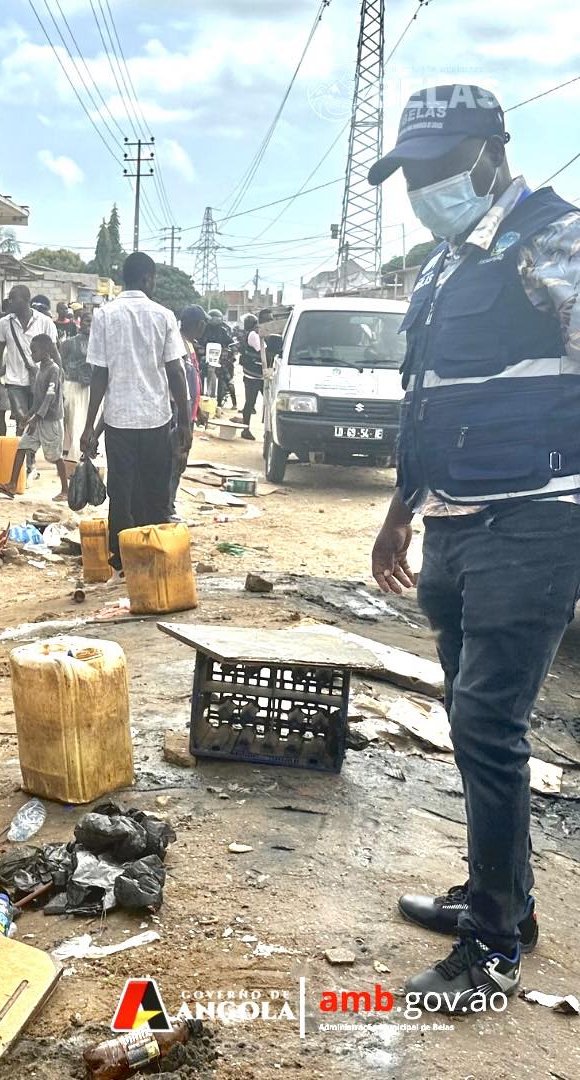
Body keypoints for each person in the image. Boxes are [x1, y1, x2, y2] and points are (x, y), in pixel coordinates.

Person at [368, 84, 580, 1015]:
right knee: (468, 716)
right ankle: (504, 901)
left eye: (440, 166)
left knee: (490, 725)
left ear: (492, 154)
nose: (424, 185)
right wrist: (400, 509)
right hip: (454, 519)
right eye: (411, 171)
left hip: (534, 520)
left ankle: (492, 950)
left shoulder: (553, 240)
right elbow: (428, 397)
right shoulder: (446, 262)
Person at [80, 252, 190, 570]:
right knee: (155, 488)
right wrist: (185, 423)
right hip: (157, 419)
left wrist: (89, 426)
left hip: (119, 421)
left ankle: (120, 558)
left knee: (121, 489)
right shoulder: (164, 315)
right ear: (147, 278)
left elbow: (99, 374)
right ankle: (154, 554)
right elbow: (177, 372)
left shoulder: (104, 315)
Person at [0, 334, 68, 501]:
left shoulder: (54, 370)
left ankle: (65, 490)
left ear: (47, 351)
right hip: (38, 417)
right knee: (22, 446)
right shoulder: (40, 369)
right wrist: (29, 415)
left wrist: (37, 417)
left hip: (51, 420)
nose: (32, 355)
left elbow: (50, 396)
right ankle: (12, 485)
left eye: (34, 351)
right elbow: (38, 397)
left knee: (56, 456)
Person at [0, 284, 58, 438]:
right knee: (21, 417)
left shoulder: (45, 322)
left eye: (13, 298)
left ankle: (28, 456)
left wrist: (58, 380)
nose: (9, 302)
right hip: (14, 381)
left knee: (33, 418)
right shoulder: (4, 323)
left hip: (39, 380)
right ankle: (19, 454)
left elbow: (55, 353)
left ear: (26, 300)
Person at [170, 306, 205, 517]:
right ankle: (167, 505)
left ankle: (170, 501)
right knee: (176, 458)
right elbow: (178, 382)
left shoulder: (190, 344)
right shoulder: (178, 344)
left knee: (180, 461)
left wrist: (197, 408)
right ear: (198, 325)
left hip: (188, 413)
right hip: (178, 414)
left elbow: (193, 380)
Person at [58, 308, 92, 477]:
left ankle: (84, 458)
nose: (90, 325)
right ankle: (71, 458)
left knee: (86, 422)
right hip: (72, 386)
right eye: (87, 321)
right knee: (72, 421)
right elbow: (60, 362)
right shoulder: (69, 343)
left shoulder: (100, 343)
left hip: (91, 389)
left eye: (93, 322)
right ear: (80, 322)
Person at [238, 313, 266, 439]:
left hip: (251, 373)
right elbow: (263, 352)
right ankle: (246, 429)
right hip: (255, 375)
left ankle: (246, 428)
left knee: (250, 402)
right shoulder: (253, 335)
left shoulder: (247, 334)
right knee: (256, 403)